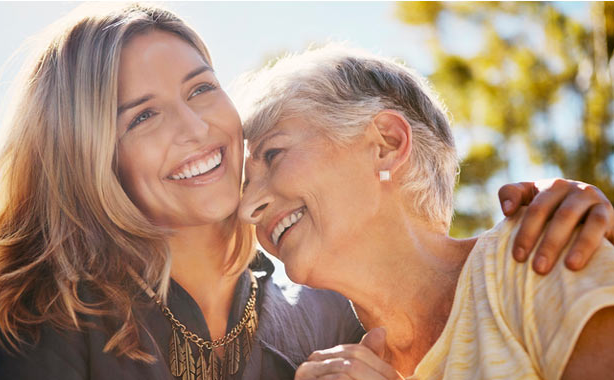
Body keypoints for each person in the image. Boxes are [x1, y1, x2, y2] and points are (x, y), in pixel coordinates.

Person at [0, 4, 613, 380]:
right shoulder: (51, 315)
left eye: (199, 89)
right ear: (94, 160)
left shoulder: (336, 318)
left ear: (386, 143)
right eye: (141, 116)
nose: (194, 130)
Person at [238, 45, 614, 379]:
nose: (249, 207)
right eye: (243, 186)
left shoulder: (538, 258)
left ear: (387, 144)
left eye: (273, 155)